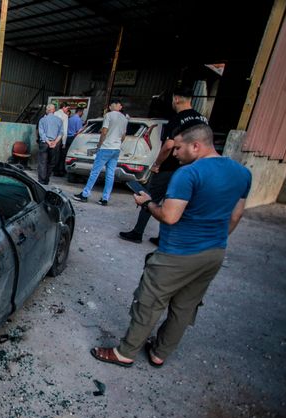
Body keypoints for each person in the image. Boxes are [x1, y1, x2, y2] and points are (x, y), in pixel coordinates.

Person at [90, 124, 251, 368]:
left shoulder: (188, 174)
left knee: (149, 302)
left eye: (178, 148)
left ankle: (126, 353)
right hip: (214, 253)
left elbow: (170, 216)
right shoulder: (242, 173)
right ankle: (159, 353)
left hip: (177, 254)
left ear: (195, 146)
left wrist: (147, 203)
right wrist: (213, 239)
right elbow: (236, 216)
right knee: (184, 307)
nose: (174, 153)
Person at [119, 87, 208, 244]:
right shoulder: (203, 120)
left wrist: (157, 164)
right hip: (193, 169)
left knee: (150, 198)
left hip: (169, 169)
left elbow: (168, 146)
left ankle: (137, 233)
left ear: (176, 99)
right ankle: (163, 238)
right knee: (175, 202)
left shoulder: (177, 119)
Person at [73, 99, 128, 205]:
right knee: (110, 174)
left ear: (115, 105)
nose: (110, 107)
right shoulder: (124, 118)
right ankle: (105, 199)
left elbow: (104, 131)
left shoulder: (109, 115)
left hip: (106, 147)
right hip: (116, 149)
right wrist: (117, 143)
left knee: (95, 172)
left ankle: (85, 195)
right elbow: (124, 136)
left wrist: (99, 144)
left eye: (111, 105)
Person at [36, 104, 63, 185]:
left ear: (47, 111)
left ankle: (41, 180)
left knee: (42, 162)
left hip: (44, 143)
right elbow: (61, 133)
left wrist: (48, 141)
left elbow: (41, 133)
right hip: (55, 144)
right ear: (54, 110)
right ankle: (46, 179)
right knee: (51, 162)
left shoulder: (42, 120)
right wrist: (54, 142)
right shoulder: (59, 120)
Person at [53, 102, 70, 176]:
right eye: (67, 108)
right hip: (59, 138)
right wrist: (64, 142)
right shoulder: (65, 116)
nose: (67, 110)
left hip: (51, 137)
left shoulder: (54, 113)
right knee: (58, 155)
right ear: (63, 107)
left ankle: (49, 169)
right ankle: (56, 171)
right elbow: (64, 130)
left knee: (51, 154)